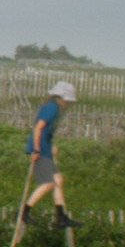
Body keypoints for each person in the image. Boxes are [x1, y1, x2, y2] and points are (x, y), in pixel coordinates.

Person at [21, 82, 80, 230]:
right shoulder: (52, 108)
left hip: (45, 146)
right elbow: (38, 128)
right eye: (67, 100)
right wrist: (36, 150)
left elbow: (46, 130)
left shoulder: (55, 107)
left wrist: (51, 144)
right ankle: (24, 212)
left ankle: (61, 217)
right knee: (48, 183)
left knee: (58, 180)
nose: (68, 103)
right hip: (40, 148)